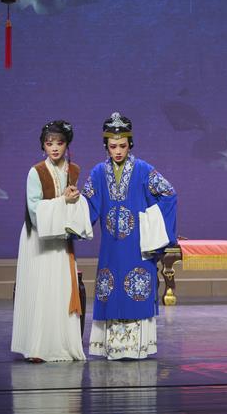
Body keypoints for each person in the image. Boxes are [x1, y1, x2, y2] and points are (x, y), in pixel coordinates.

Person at [82, 112, 177, 360]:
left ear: (130, 144)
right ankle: (112, 347)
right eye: (112, 146)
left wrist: (150, 223)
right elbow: (88, 205)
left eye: (122, 146)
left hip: (137, 246)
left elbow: (169, 194)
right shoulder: (98, 173)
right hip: (111, 247)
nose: (118, 151)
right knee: (111, 288)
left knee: (136, 289)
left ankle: (138, 348)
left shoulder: (144, 170)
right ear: (106, 145)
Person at [12, 120, 93, 362]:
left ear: (67, 144)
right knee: (41, 289)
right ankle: (37, 347)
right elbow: (34, 210)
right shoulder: (35, 172)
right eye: (49, 143)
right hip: (38, 238)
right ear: (43, 146)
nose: (54, 148)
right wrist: (63, 201)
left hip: (61, 238)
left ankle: (63, 344)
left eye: (60, 143)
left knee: (60, 289)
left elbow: (73, 205)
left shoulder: (73, 170)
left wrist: (75, 200)